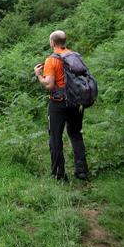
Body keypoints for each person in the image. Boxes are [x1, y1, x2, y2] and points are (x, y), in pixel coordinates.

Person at [34, 30, 88, 181]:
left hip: (58, 104)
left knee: (55, 138)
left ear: (52, 42)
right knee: (76, 134)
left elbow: (49, 85)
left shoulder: (51, 60)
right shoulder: (75, 56)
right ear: (64, 41)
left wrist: (38, 75)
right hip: (76, 102)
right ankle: (82, 171)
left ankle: (59, 174)